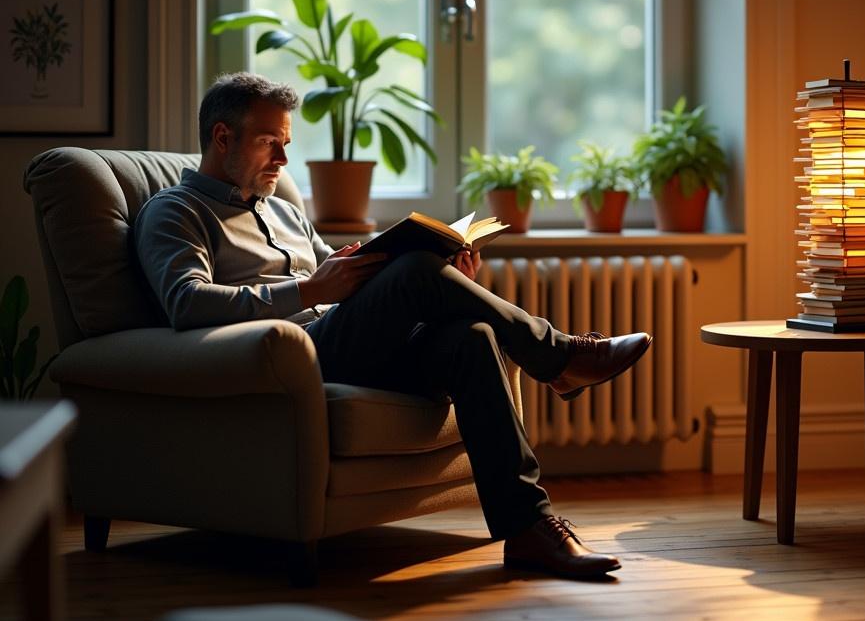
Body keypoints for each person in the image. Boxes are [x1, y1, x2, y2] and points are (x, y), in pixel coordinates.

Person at [134, 72, 653, 579]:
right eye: (271, 143)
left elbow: (341, 272)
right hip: (290, 358)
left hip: (348, 343)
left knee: (472, 337)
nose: (284, 159)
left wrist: (443, 270)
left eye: (286, 143)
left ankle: (528, 530)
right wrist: (314, 290)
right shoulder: (175, 212)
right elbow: (187, 302)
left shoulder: (285, 213)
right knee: (415, 272)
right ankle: (559, 356)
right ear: (223, 137)